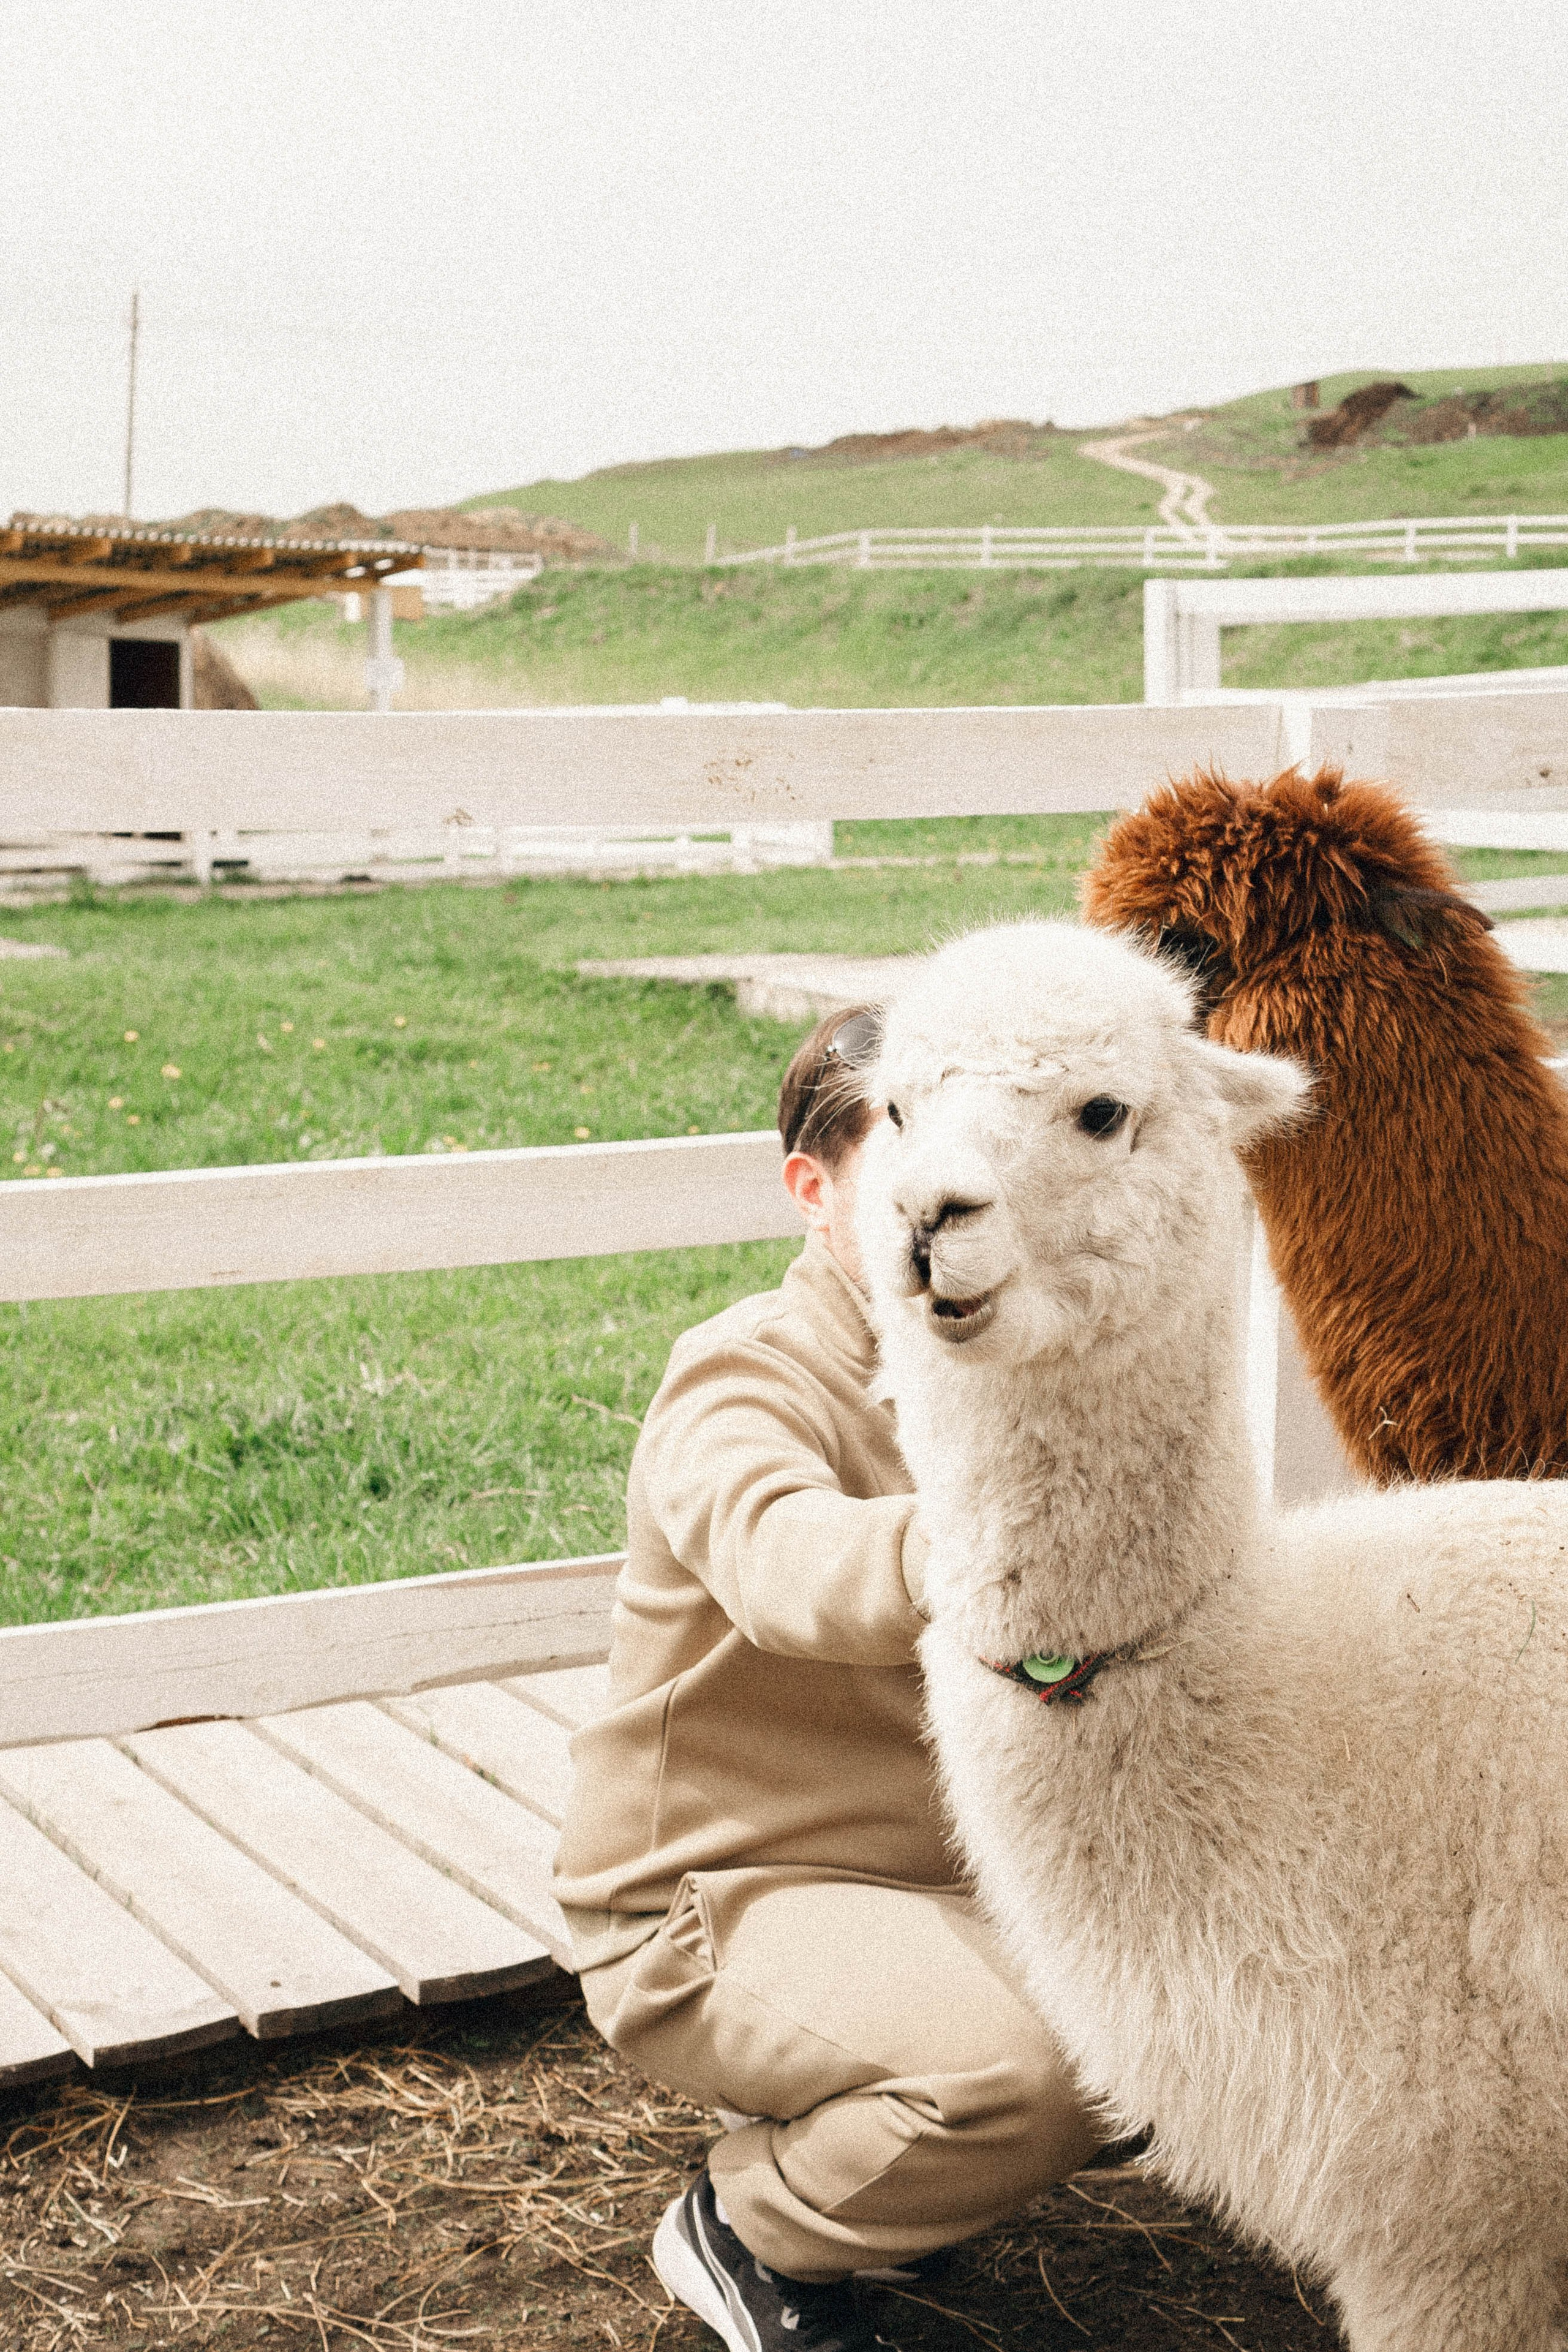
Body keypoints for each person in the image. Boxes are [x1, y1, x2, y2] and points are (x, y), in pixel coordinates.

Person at [552, 1006, 1099, 2352]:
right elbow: (776, 1559)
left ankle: (863, 2109)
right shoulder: (743, 1374)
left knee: (1169, 2033)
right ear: (812, 1192)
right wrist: (981, 1546)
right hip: (716, 1894)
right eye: (900, 1148)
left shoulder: (1019, 1362)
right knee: (1027, 2079)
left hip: (950, 1877)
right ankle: (752, 2224)